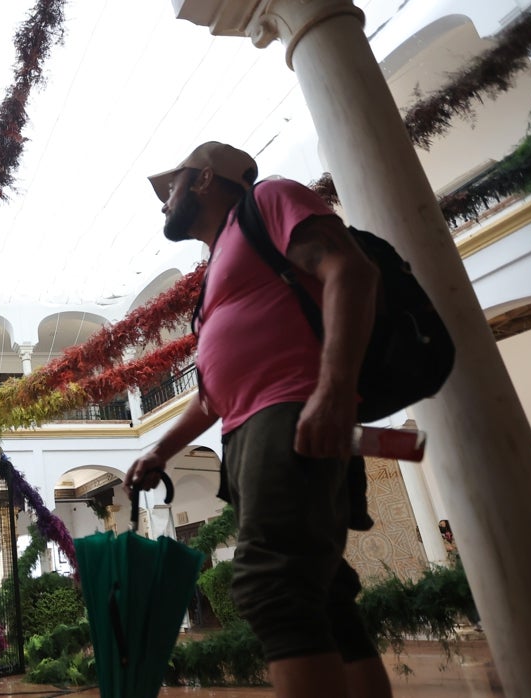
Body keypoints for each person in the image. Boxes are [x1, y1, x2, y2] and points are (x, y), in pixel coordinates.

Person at [124, 142, 391, 698]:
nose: (162, 204)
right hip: (247, 430)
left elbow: (350, 270)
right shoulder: (218, 264)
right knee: (323, 595)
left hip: (290, 409)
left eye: (169, 188)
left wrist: (334, 390)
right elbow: (209, 396)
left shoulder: (267, 200)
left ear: (203, 180)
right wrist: (159, 452)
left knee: (273, 584)